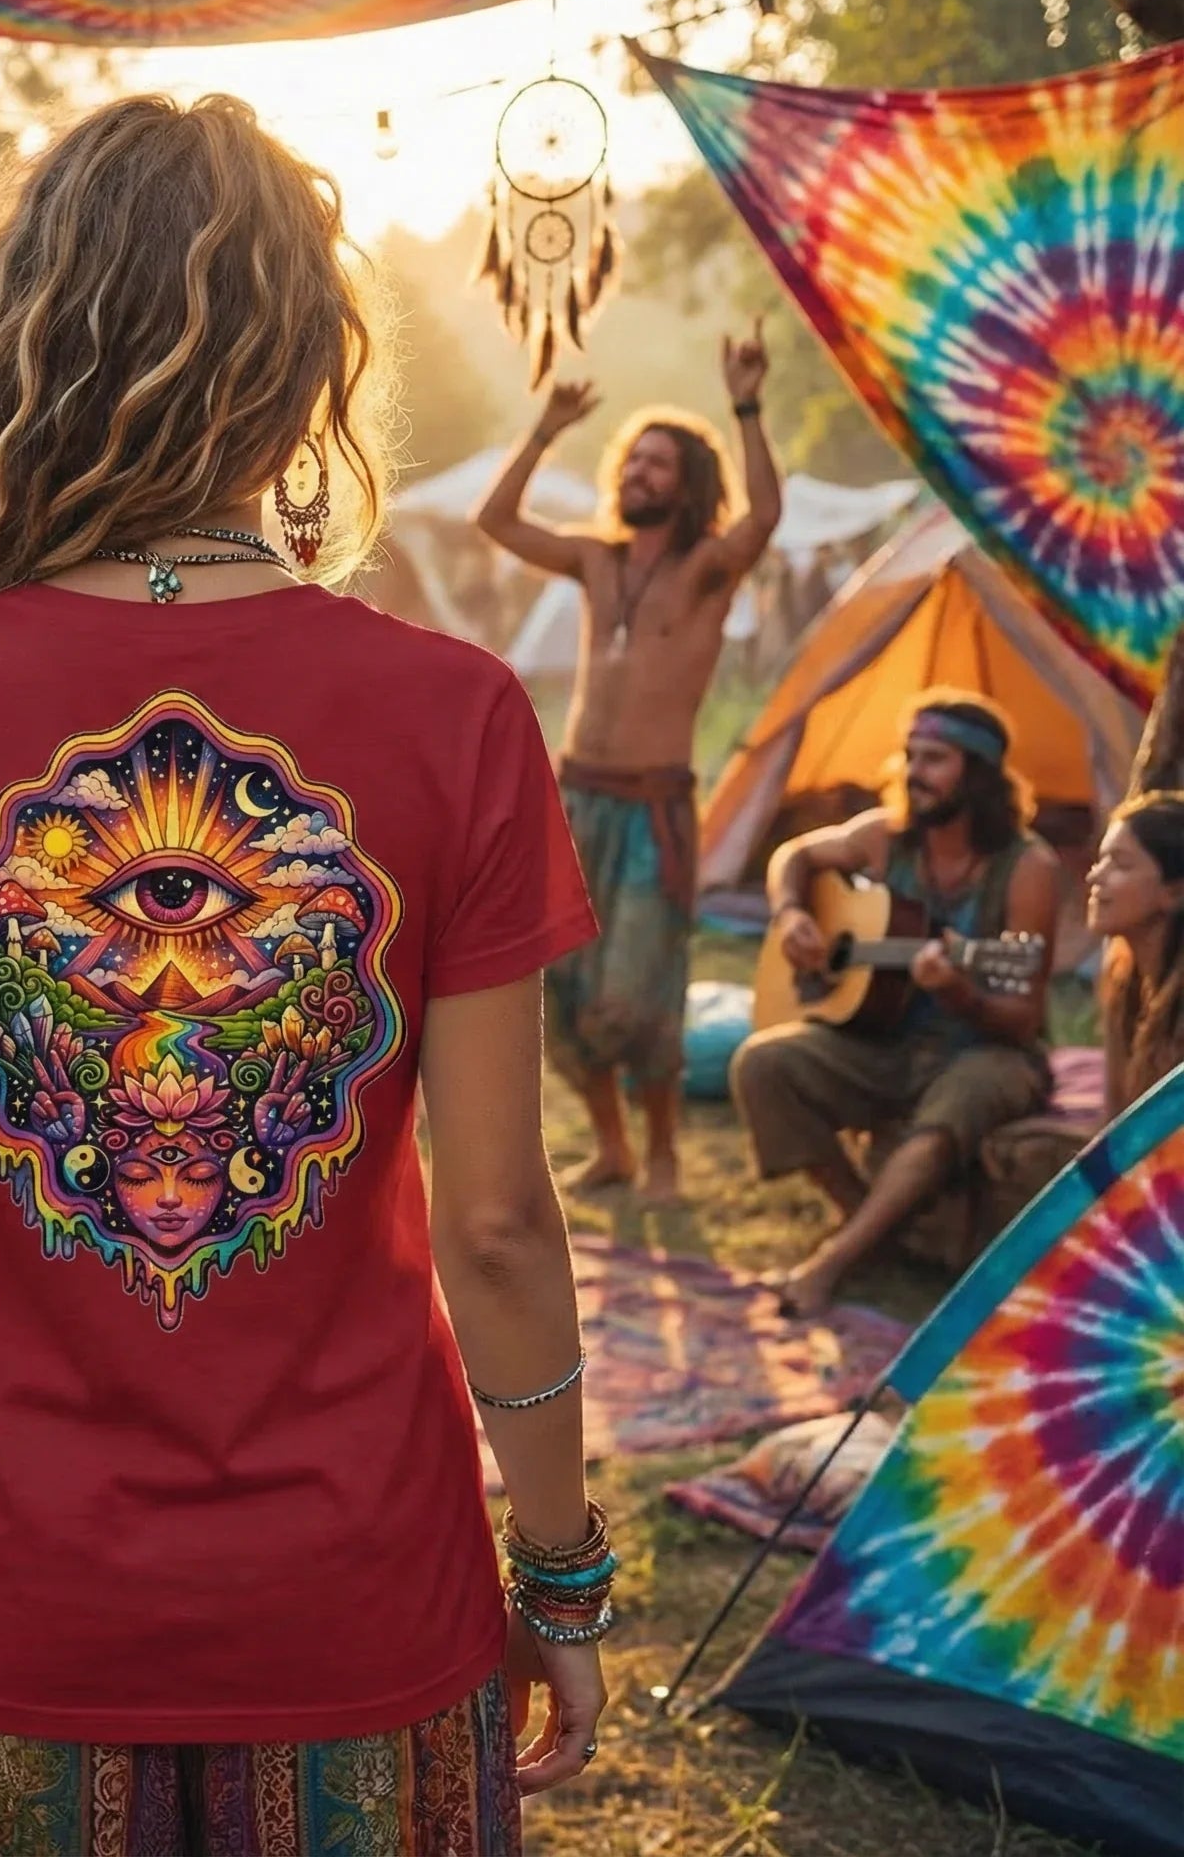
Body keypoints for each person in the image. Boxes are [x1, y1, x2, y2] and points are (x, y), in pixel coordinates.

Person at [0, 94, 612, 1848]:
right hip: (368, 1591)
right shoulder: (454, 715)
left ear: (16, 346)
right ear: (306, 367)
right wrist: (564, 1565)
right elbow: (503, 1222)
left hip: (10, 1605)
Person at [473, 347, 781, 1199]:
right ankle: (610, 1150)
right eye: (634, 458)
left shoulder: (707, 569)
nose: (642, 471)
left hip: (653, 813)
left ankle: (665, 1157)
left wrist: (747, 409)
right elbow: (496, 522)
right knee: (563, 995)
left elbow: (765, 520)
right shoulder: (595, 559)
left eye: (661, 463)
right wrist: (543, 432)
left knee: (641, 991)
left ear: (688, 487)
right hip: (577, 802)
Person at [732, 692, 1059, 1316]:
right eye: (910, 756)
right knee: (763, 1065)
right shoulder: (887, 837)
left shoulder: (1027, 868)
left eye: (935, 759)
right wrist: (792, 911)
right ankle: (869, 1228)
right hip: (882, 1042)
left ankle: (833, 1263)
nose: (914, 772)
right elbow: (793, 856)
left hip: (985, 1052)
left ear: (981, 774)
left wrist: (958, 991)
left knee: (947, 1117)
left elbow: (1020, 1018)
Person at [1087, 790, 1184, 1113]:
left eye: (1120, 865)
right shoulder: (1122, 977)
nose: (1094, 876)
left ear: (1173, 892)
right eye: (1101, 860)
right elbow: (1116, 1122)